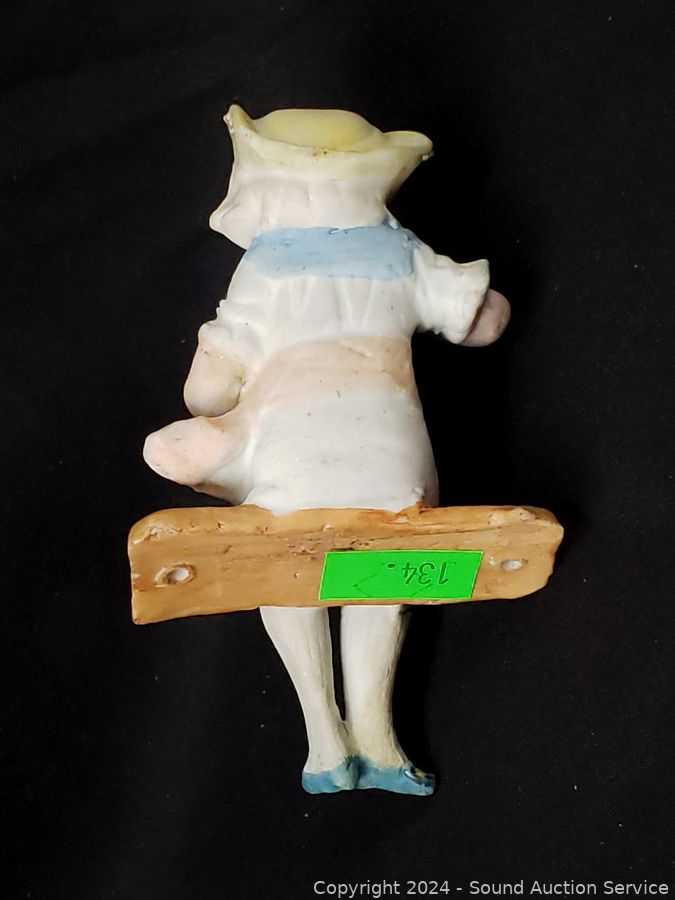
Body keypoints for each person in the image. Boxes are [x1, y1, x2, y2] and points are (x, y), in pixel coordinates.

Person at [144, 105, 510, 794]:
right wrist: (476, 301)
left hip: (290, 454)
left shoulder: (263, 267)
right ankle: (374, 736)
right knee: (378, 575)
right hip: (389, 453)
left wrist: (211, 395)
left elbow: (210, 382)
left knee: (291, 570)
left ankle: (325, 737)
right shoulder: (402, 254)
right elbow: (481, 321)